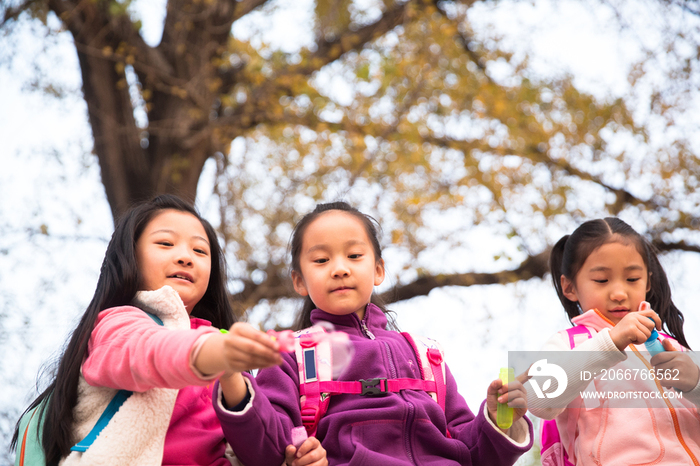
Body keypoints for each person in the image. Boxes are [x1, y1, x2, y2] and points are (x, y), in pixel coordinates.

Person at [213, 201, 534, 466]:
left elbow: (473, 453)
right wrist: (235, 383)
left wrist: (497, 418)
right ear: (299, 281)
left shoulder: (426, 356)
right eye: (322, 259)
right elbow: (268, 448)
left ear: (378, 269)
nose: (340, 268)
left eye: (354, 255)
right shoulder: (289, 355)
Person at [11, 194, 284, 466]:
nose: (185, 257)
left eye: (200, 251)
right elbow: (148, 352)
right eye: (165, 243)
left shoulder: (224, 349)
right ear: (131, 256)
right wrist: (211, 352)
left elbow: (264, 454)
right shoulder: (116, 324)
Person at [528, 217, 700, 465]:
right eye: (601, 280)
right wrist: (611, 342)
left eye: (632, 279)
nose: (619, 293)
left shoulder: (673, 348)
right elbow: (538, 400)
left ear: (648, 282)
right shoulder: (567, 344)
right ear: (569, 287)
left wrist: (694, 383)